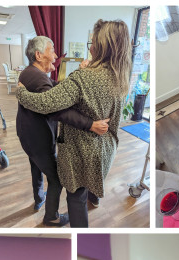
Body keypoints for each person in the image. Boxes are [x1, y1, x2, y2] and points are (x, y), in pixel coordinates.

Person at [17, 20, 131, 225]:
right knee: (88, 184)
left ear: (100, 47)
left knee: (76, 197)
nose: (91, 47)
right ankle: (92, 199)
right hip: (105, 148)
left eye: (92, 43)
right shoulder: (120, 75)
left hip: (80, 152)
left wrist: (21, 93)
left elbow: (46, 103)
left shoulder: (83, 77)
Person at [16, 35, 100, 227]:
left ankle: (39, 199)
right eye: (51, 50)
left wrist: (77, 75)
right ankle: (51, 217)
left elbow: (57, 89)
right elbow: (57, 109)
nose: (55, 55)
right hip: (37, 139)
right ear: (38, 55)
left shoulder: (30, 73)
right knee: (57, 179)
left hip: (27, 135)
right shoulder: (38, 79)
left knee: (36, 167)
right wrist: (90, 124)